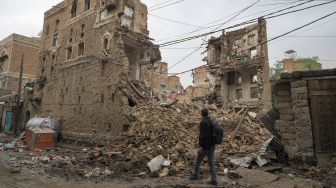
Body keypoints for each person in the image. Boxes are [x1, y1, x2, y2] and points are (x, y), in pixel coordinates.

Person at [188, 108, 217, 185]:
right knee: (211, 163)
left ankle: (195, 176)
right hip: (212, 146)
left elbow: (202, 136)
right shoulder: (211, 121)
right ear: (207, 114)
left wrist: (200, 145)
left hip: (205, 146)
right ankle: (214, 179)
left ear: (201, 114)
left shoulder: (202, 122)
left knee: (197, 161)